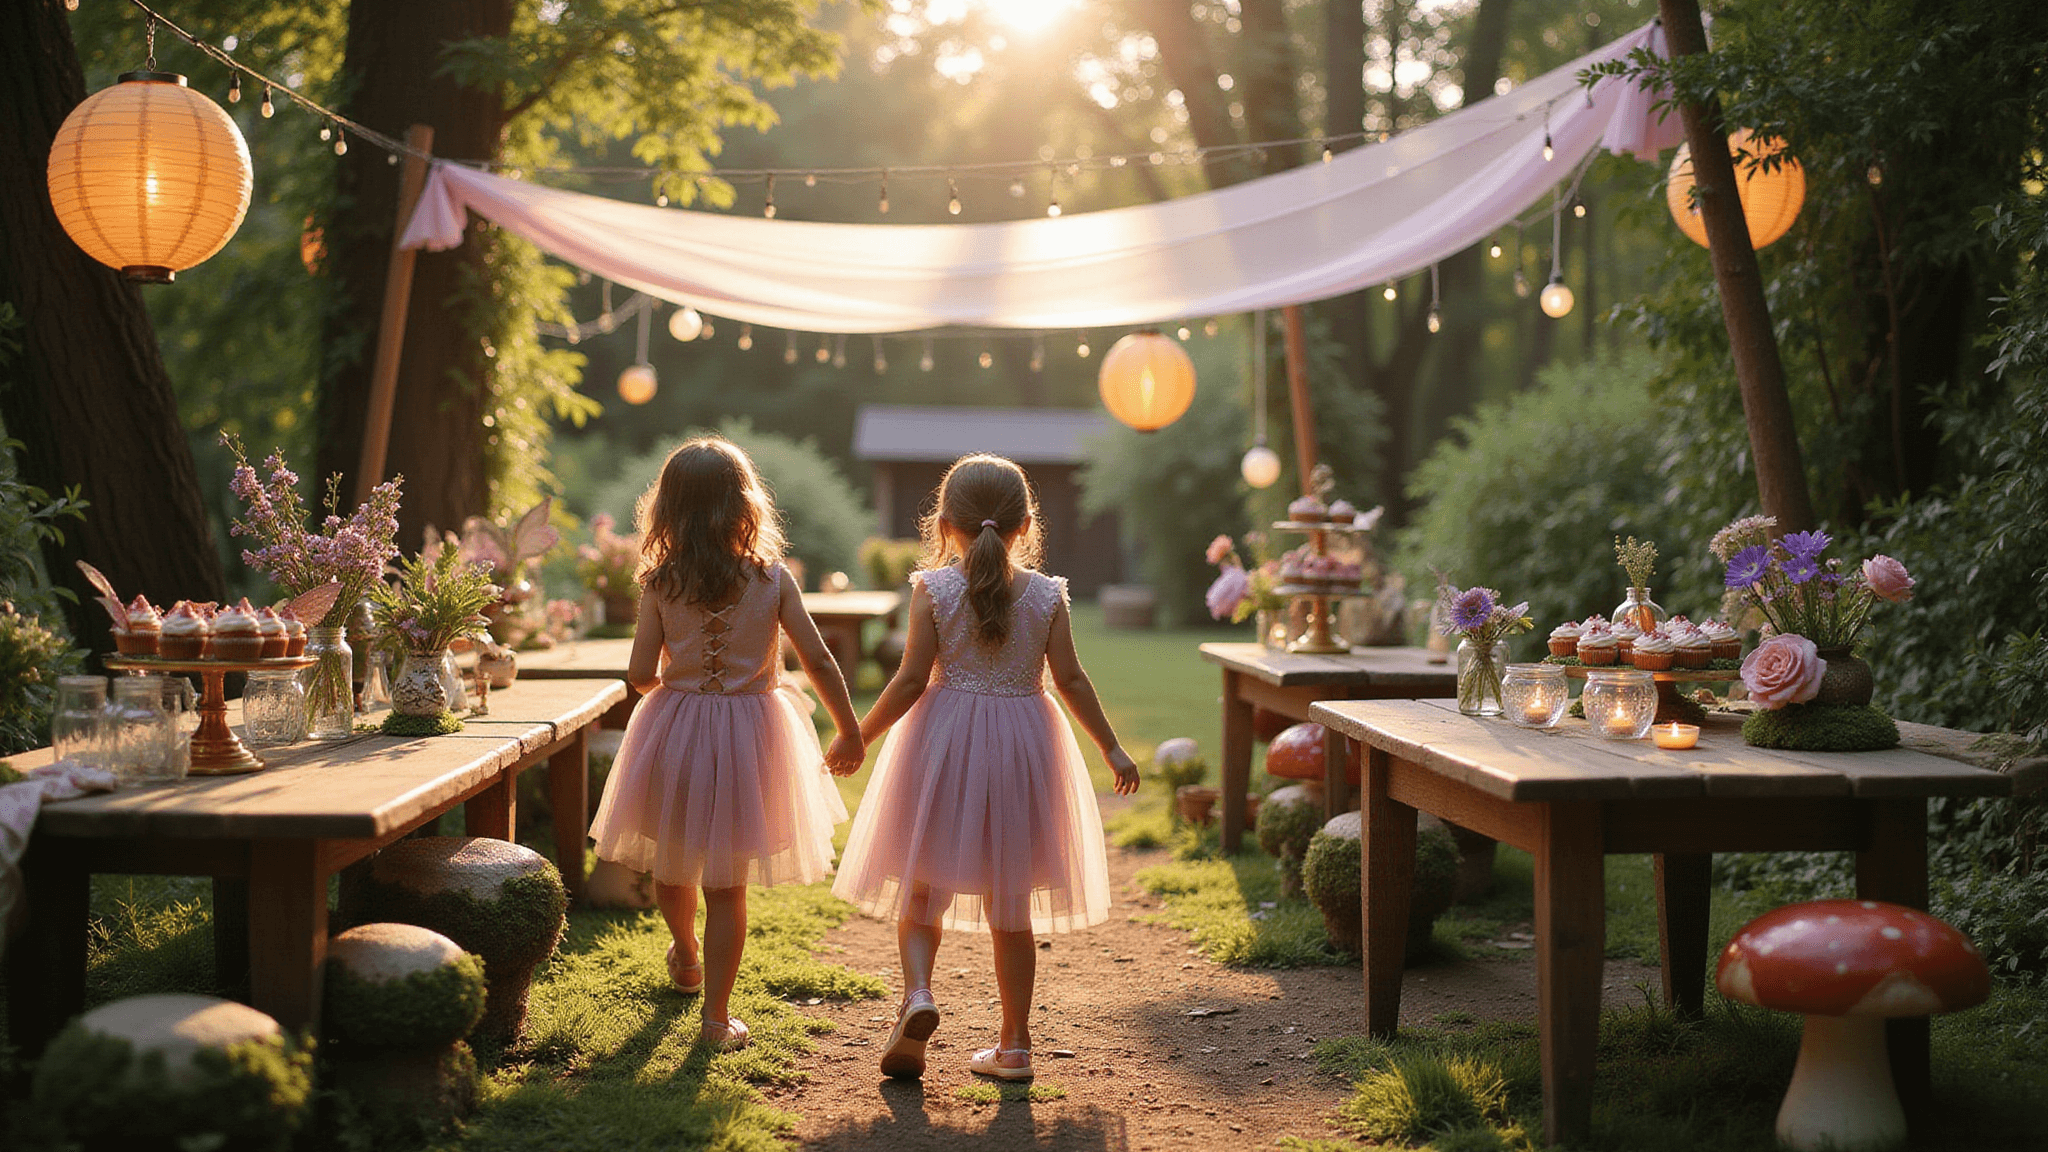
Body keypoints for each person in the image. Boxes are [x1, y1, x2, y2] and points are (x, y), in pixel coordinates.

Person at [834, 453, 1140, 1082]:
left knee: (921, 892)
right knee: (1012, 906)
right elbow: (1072, 679)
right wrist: (1110, 746)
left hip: (941, 742)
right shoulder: (1048, 595)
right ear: (1027, 524)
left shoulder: (932, 590)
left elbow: (911, 679)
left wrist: (858, 736)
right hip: (1024, 744)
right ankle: (1016, 1045)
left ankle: (918, 995)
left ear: (945, 525)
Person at [590, 436, 865, 1051]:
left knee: (673, 855)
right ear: (745, 506)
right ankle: (716, 1020)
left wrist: (677, 680)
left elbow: (638, 673)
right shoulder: (771, 580)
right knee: (727, 884)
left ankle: (685, 952)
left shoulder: (660, 582)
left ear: (668, 512)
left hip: (677, 727)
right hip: (751, 733)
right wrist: (847, 727)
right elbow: (817, 658)